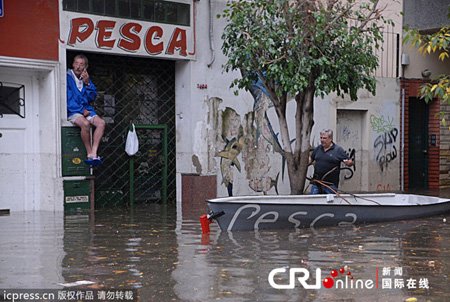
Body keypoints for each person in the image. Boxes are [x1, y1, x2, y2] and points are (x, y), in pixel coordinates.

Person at [67, 54, 105, 166]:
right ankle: (89, 153)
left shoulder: (85, 79)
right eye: (76, 63)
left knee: (101, 123)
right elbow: (67, 99)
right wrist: (81, 110)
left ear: (85, 67)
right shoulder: (67, 77)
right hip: (73, 111)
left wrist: (88, 83)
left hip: (86, 110)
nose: (78, 67)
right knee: (85, 124)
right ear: (73, 64)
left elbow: (91, 97)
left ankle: (94, 153)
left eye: (81, 64)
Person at [310, 129, 353, 194]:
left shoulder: (338, 150)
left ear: (330, 139)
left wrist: (349, 163)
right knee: (314, 202)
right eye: (321, 138)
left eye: (324, 138)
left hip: (330, 185)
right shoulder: (318, 149)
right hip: (317, 183)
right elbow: (311, 159)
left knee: (329, 203)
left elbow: (349, 162)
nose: (322, 140)